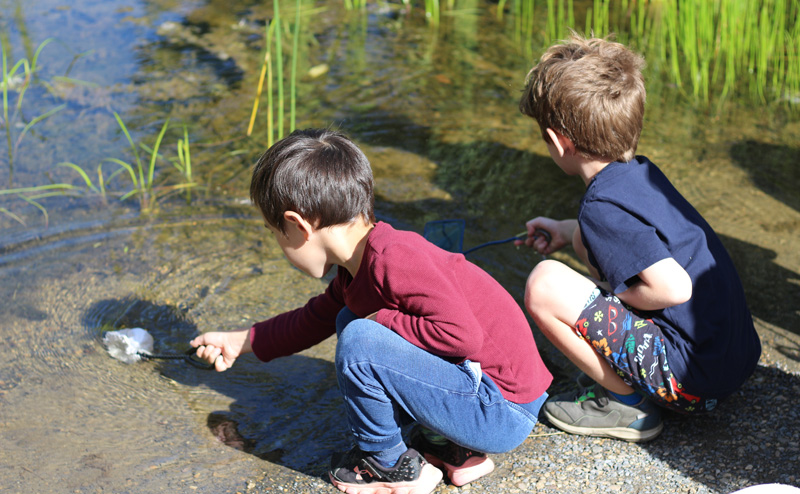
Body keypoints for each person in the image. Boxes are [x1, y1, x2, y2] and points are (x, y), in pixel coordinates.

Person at [190, 128, 553, 494]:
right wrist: (241, 341)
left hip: (501, 410)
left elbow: (463, 336)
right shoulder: (359, 266)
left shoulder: (394, 260)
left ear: (298, 226)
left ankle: (393, 466)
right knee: (350, 319)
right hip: (492, 397)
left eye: (275, 232)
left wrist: (381, 320)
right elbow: (311, 320)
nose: (278, 243)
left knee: (361, 337)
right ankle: (453, 452)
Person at [515, 34, 761, 442]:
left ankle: (624, 405)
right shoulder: (641, 175)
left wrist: (611, 295)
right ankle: (629, 379)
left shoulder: (599, 207)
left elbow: (674, 287)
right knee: (586, 249)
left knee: (543, 285)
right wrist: (564, 231)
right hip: (731, 361)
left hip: (691, 382)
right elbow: (638, 240)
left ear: (560, 141)